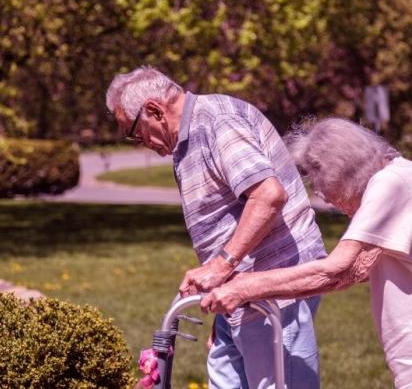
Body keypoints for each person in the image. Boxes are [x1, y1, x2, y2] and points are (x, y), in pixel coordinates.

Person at [106, 66, 326, 389]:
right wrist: (222, 296)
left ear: (154, 110)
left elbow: (268, 195)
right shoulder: (186, 140)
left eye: (135, 132)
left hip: (275, 285)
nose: (139, 143)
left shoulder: (216, 123)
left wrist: (222, 266)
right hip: (237, 292)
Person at [201, 117, 412, 389]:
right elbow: (353, 272)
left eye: (322, 184)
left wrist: (245, 288)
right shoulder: (399, 177)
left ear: (343, 170)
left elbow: (337, 270)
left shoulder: (390, 184)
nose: (325, 197)